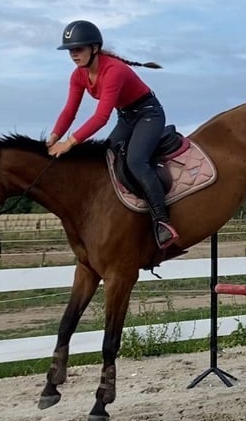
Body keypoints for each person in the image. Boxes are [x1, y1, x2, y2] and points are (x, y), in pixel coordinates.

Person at [46, 20, 180, 249]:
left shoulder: (114, 71)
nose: (73, 55)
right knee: (107, 157)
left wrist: (69, 143)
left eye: (78, 49)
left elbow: (101, 117)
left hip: (149, 114)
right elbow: (70, 110)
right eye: (70, 50)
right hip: (127, 116)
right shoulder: (78, 75)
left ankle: (162, 221)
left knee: (136, 161)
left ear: (94, 48)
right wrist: (53, 138)